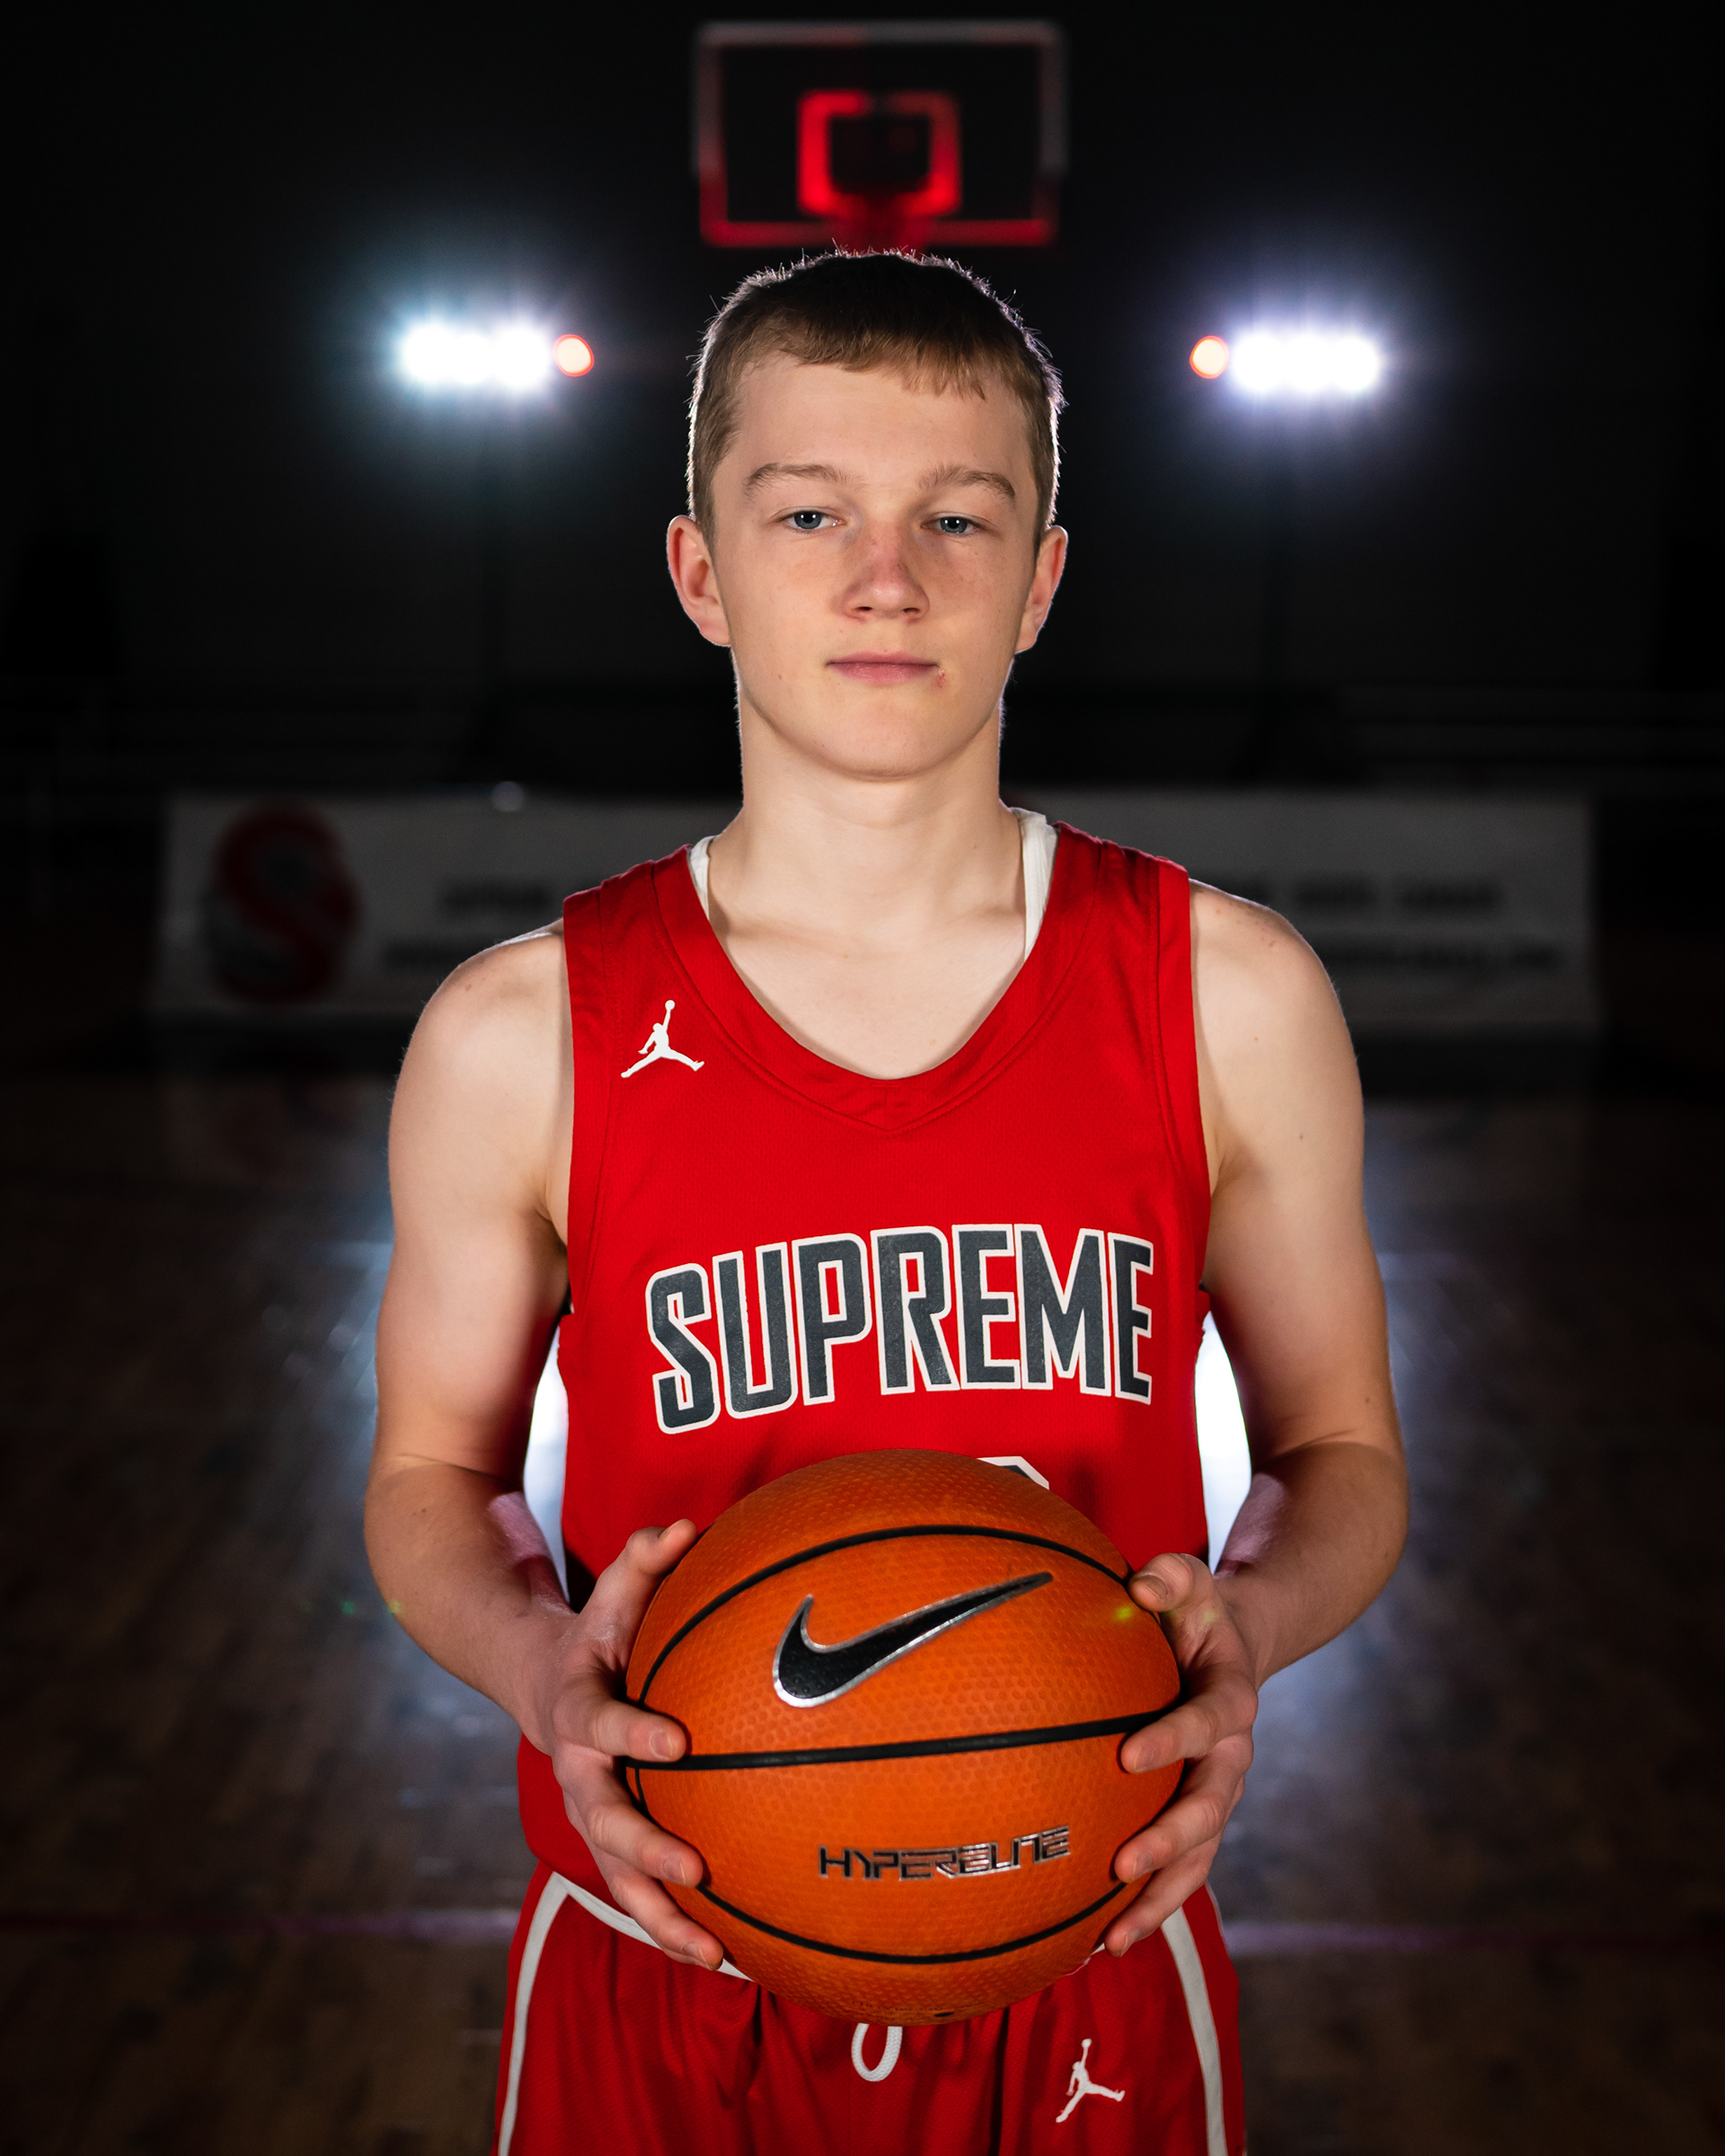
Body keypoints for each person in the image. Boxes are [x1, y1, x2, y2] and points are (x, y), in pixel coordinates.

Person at [365, 251, 1407, 2155]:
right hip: (660, 1960)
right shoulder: (523, 1032)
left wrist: (1251, 1626)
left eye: (957, 518)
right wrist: (536, 1667)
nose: (885, 579)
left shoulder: (1224, 996)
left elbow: (1342, 1455)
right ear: (700, 571)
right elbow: (432, 1478)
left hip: (1082, 1948)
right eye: (808, 514)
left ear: (1043, 580)